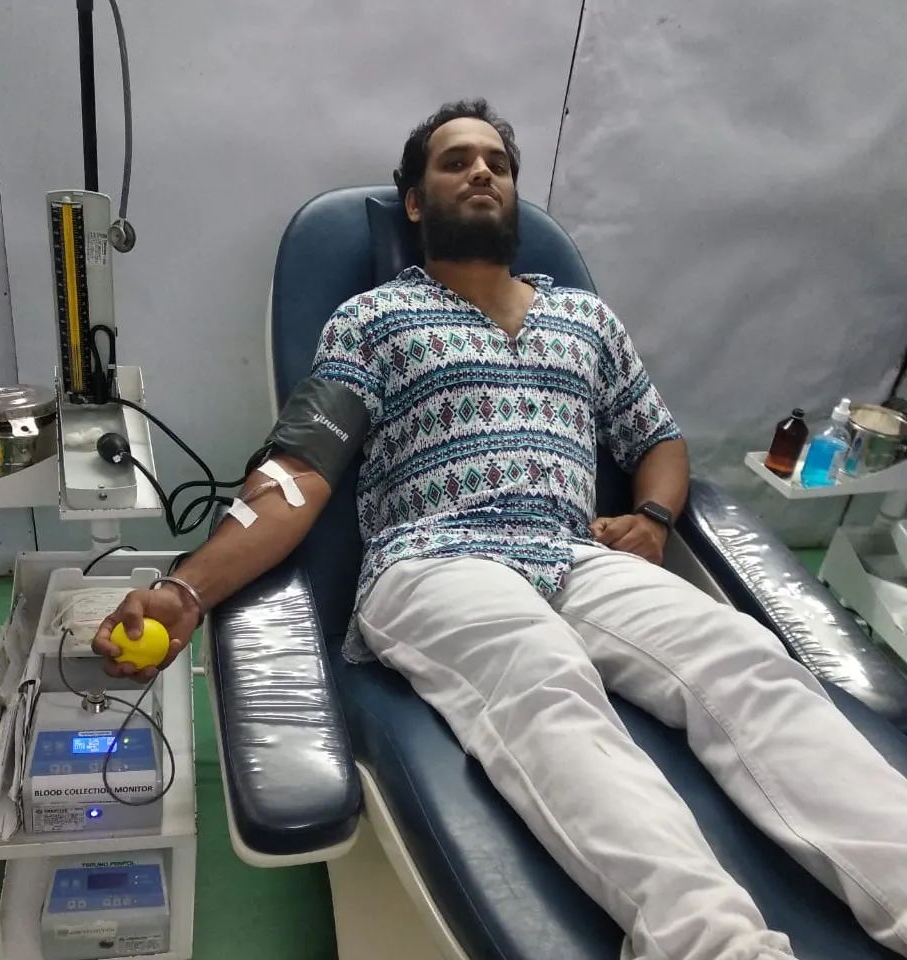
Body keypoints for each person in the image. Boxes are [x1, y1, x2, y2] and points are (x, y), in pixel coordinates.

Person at [94, 99, 907, 960]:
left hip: (577, 556)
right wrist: (186, 589)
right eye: (456, 161)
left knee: (746, 661)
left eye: (498, 162)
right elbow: (299, 473)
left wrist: (653, 519)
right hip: (436, 560)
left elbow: (658, 441)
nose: (482, 170)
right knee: (543, 679)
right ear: (415, 203)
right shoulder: (371, 321)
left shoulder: (586, 321)